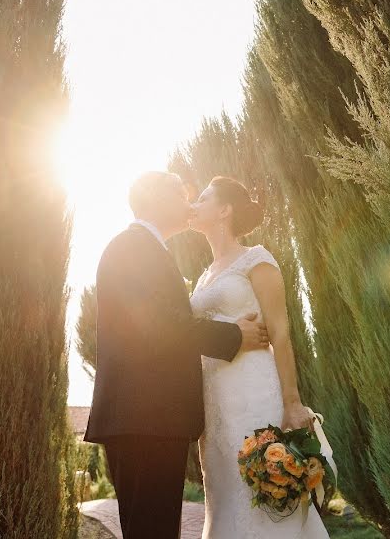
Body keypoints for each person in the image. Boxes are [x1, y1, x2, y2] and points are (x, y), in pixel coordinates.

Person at [84, 171, 271, 539]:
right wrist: (233, 334)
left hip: (146, 418)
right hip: (142, 418)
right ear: (157, 198)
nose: (188, 201)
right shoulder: (133, 247)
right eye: (180, 193)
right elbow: (159, 325)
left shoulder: (144, 247)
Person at [189, 176, 330, 538]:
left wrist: (293, 402)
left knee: (266, 499)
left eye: (203, 197)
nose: (194, 202)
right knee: (225, 500)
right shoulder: (203, 277)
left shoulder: (257, 260)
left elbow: (280, 334)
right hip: (214, 406)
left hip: (254, 396)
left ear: (225, 210)